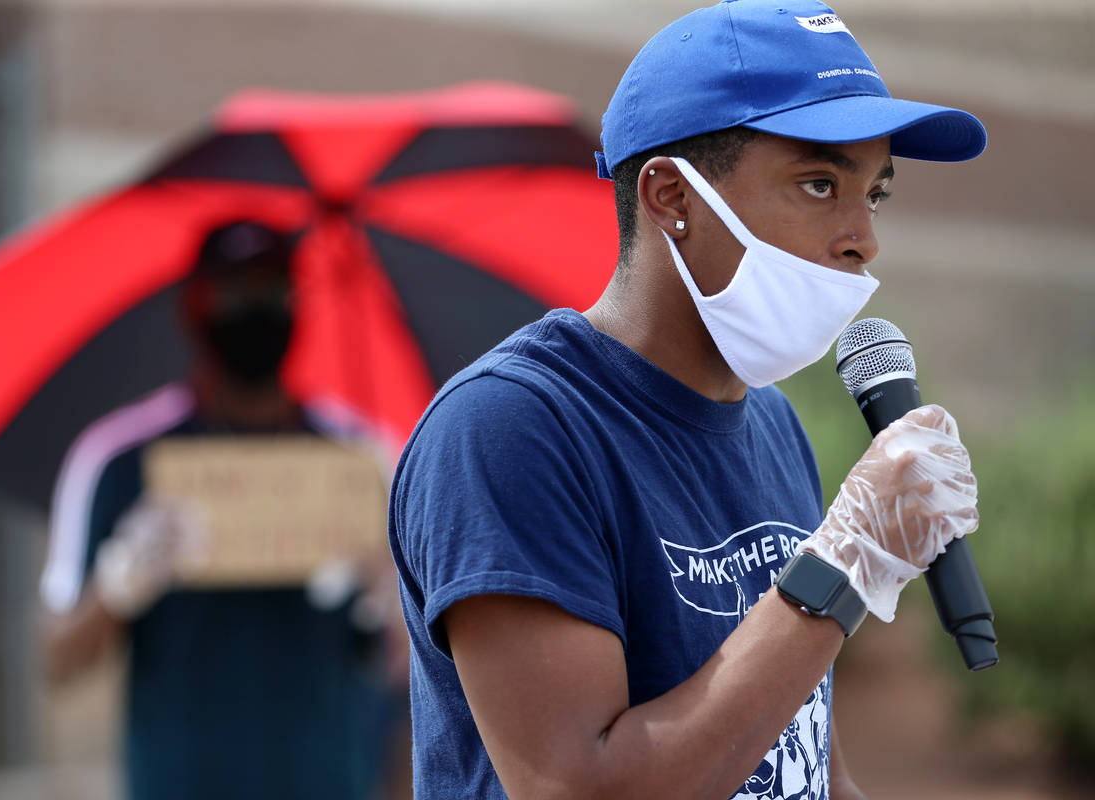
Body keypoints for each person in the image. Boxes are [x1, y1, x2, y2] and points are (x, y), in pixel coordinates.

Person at [388, 2, 985, 798]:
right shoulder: (509, 429)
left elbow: (803, 752)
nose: (862, 237)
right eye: (819, 183)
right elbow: (581, 787)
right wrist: (841, 565)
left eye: (873, 193)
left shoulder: (771, 423)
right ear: (672, 196)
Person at [39, 220, 409, 799]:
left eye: (273, 291)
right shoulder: (120, 459)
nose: (255, 310)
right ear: (195, 307)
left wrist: (396, 610)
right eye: (235, 293)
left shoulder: (364, 463)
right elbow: (55, 659)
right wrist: (117, 588)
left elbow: (415, 678)